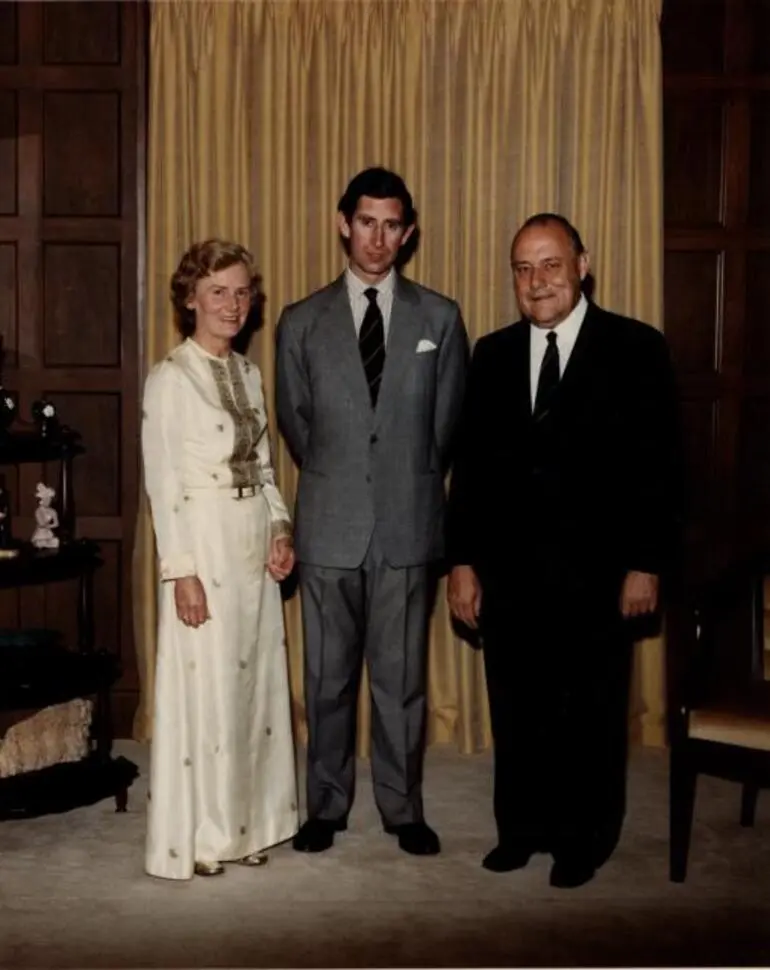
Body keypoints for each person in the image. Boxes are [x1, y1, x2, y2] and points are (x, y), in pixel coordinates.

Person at [446, 214, 682, 888]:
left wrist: (647, 561)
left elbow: (660, 468)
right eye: (523, 268)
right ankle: (520, 831)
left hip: (600, 574)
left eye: (550, 264)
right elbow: (472, 471)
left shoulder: (636, 348)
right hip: (510, 574)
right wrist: (461, 562)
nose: (537, 280)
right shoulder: (491, 353)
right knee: (518, 708)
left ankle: (585, 839)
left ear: (583, 264)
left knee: (591, 711)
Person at [276, 167, 468, 856]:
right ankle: (324, 806)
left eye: (392, 225)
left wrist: (400, 480)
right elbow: (296, 424)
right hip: (329, 526)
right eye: (366, 222)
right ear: (343, 224)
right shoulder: (300, 322)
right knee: (325, 682)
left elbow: (447, 429)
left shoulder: (439, 318)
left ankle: (402, 808)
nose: (378, 238)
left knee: (402, 682)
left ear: (407, 233)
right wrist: (344, 476)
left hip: (408, 524)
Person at [142, 239, 298, 880]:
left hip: (250, 542)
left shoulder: (249, 375)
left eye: (241, 293)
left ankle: (247, 826)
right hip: (201, 542)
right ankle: (203, 837)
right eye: (218, 292)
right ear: (190, 299)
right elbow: (161, 481)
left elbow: (260, 466)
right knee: (206, 689)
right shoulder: (171, 377)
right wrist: (180, 571)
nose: (232, 305)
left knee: (251, 690)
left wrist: (281, 528)